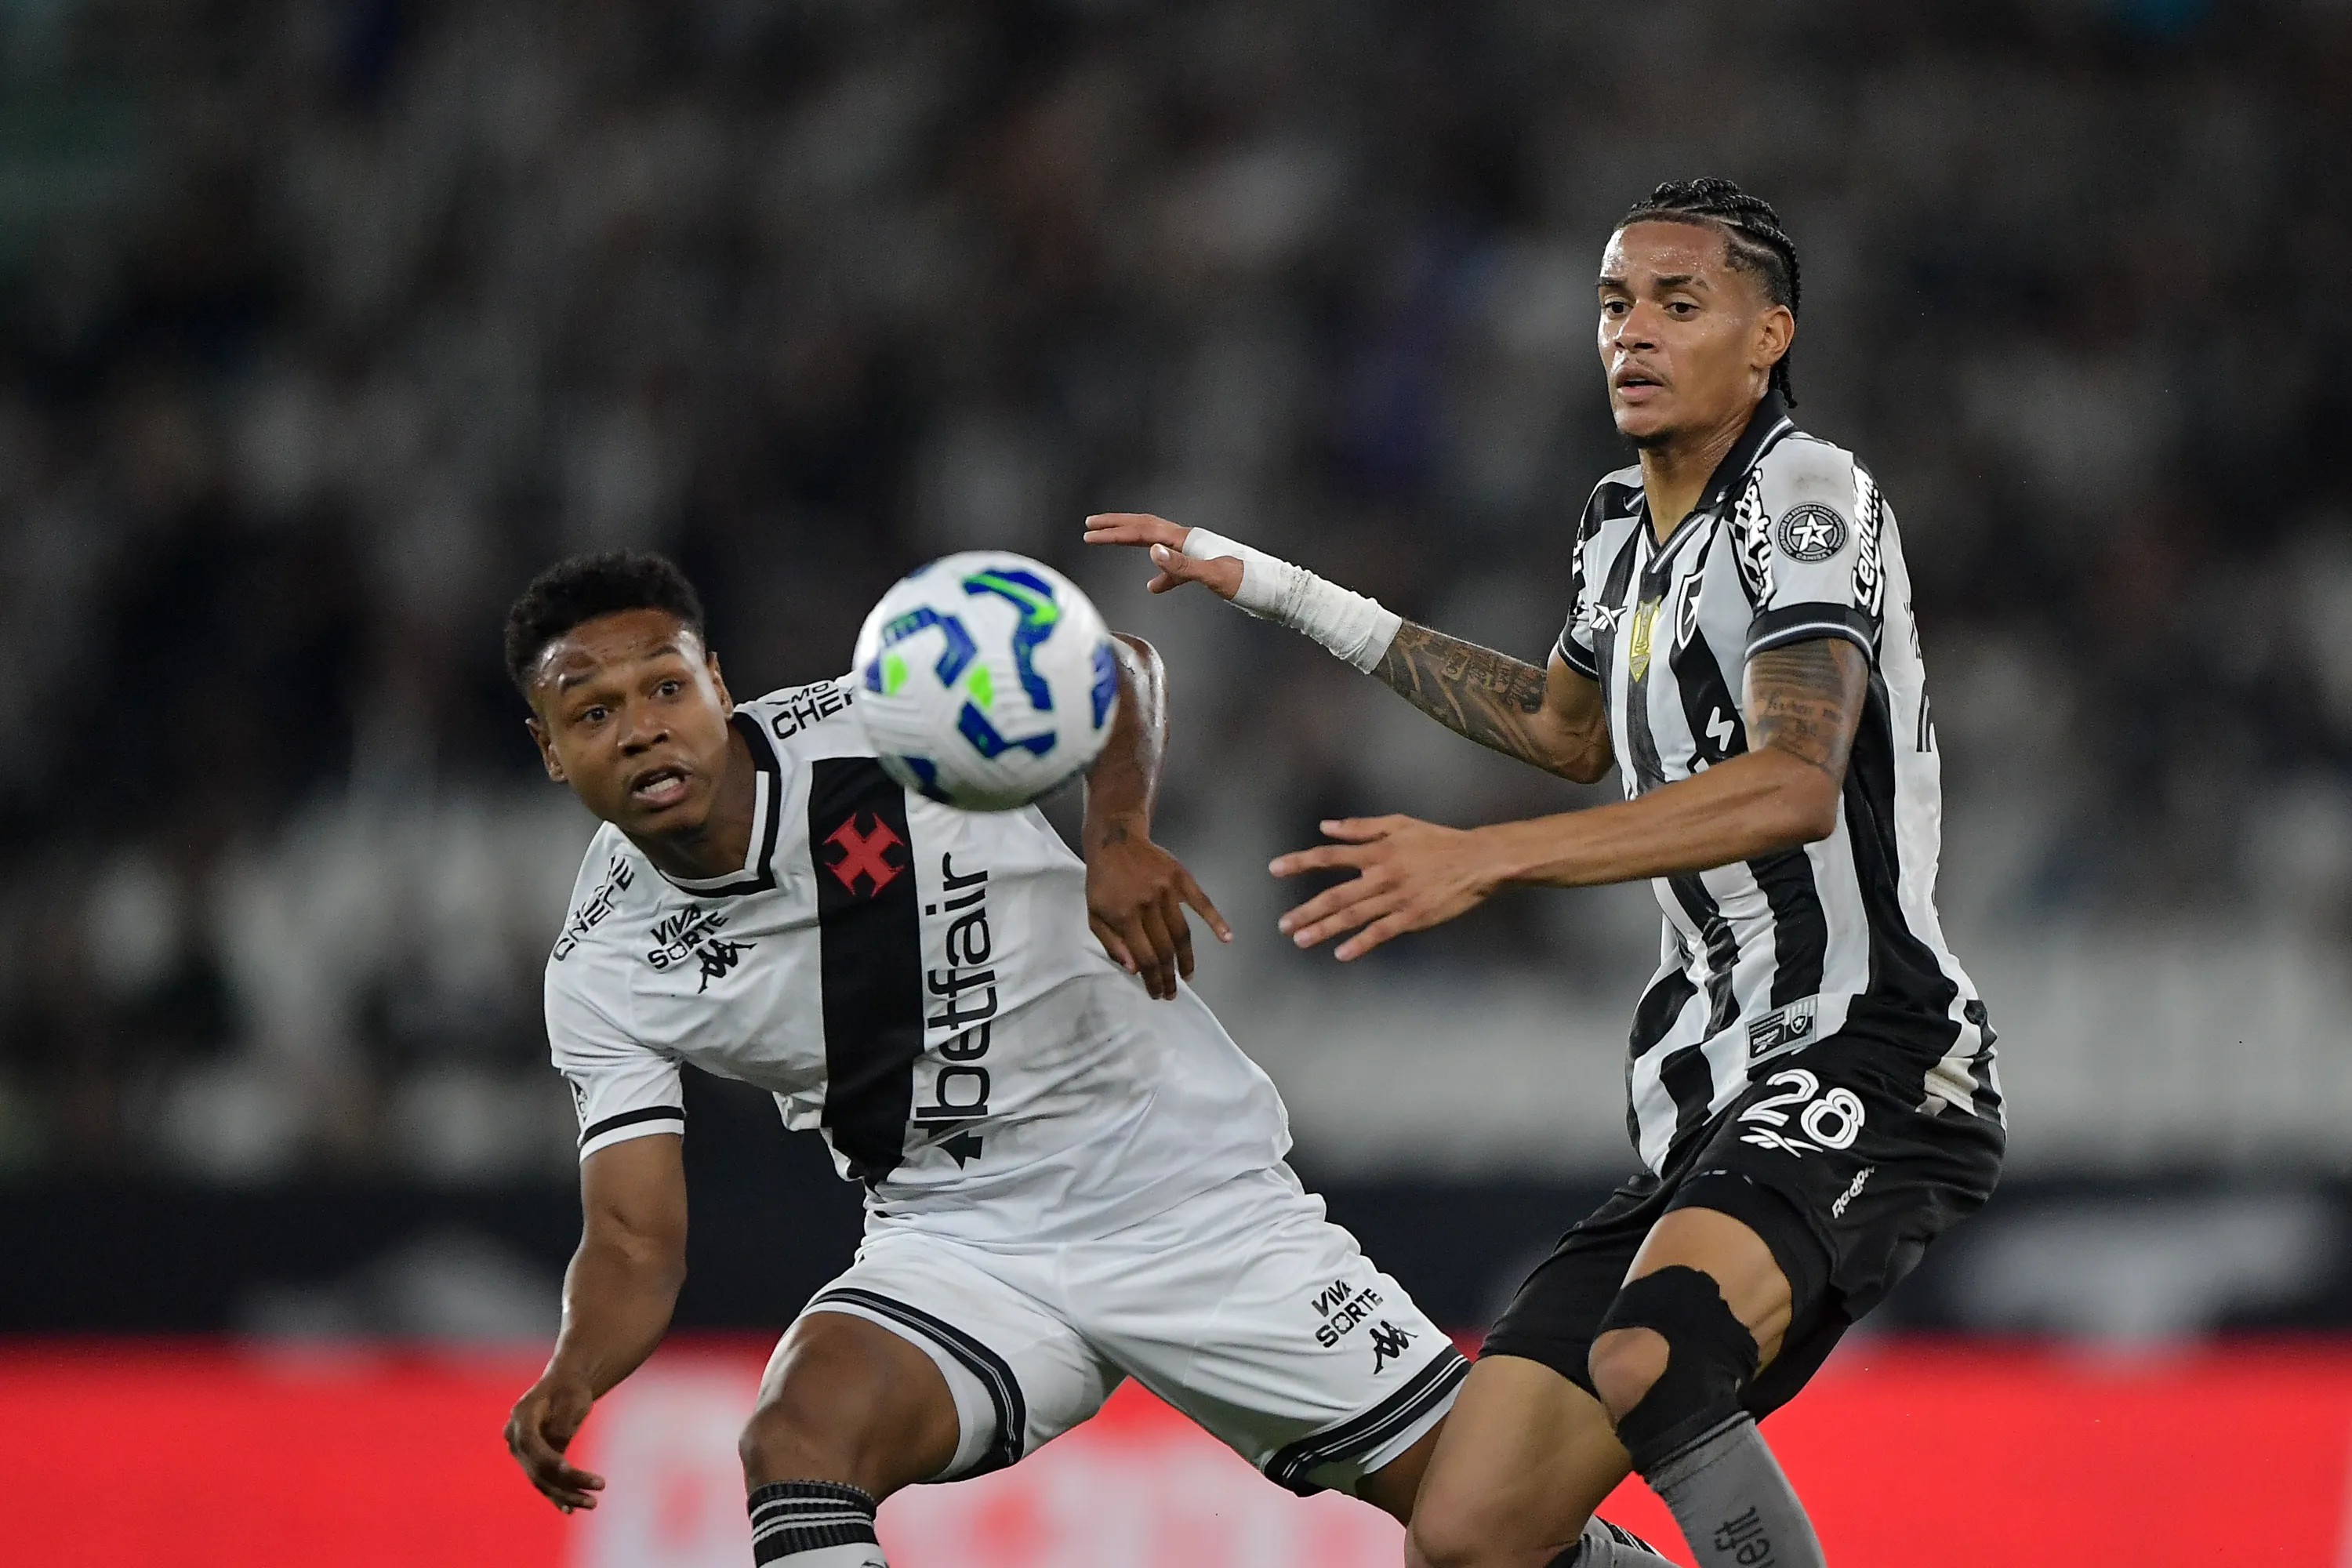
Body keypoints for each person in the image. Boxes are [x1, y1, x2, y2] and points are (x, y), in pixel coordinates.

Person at [1085, 178, 2005, 1568]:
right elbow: (1558, 729)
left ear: (1770, 338)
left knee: (1657, 1355)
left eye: (1678, 306)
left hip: (1870, 1054)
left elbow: (1794, 785)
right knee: (1469, 1531)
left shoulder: (1804, 490)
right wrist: (1270, 586)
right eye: (1614, 304)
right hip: (1703, 1096)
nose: (1631, 334)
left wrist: (1484, 861)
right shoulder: (1615, 529)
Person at [496, 550, 1594, 1568]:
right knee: (797, 1438)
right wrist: (575, 1370)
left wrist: (1114, 835)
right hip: (960, 1240)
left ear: (716, 684)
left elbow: (1113, 664)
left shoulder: (881, 723)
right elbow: (636, 1237)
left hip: (1177, 1193)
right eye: (593, 713)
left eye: (664, 689)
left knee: (1482, 1531)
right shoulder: (604, 966)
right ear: (551, 749)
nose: (641, 729)